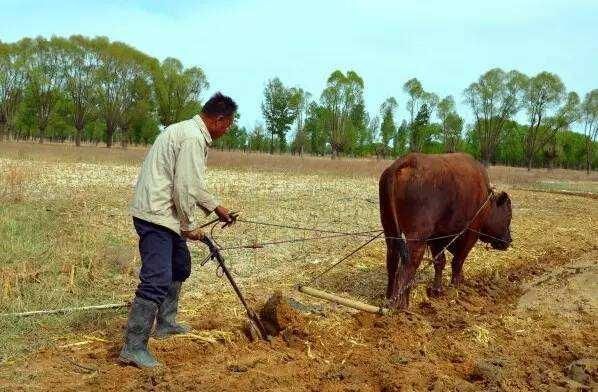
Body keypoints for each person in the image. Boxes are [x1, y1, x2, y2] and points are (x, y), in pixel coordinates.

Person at [119, 92, 238, 368]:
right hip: (157, 215)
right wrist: (188, 227)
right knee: (156, 278)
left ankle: (166, 323)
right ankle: (133, 347)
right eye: (229, 124)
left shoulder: (187, 131)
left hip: (161, 212)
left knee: (180, 265)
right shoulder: (193, 138)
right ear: (219, 119)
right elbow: (184, 189)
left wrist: (217, 207)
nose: (228, 129)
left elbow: (192, 185)